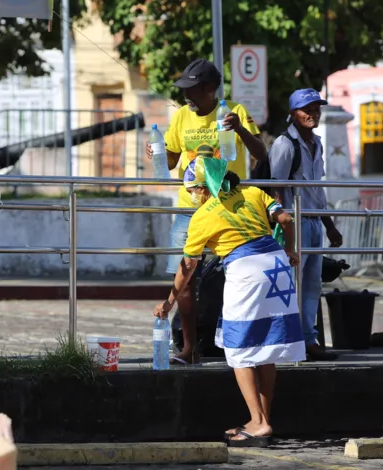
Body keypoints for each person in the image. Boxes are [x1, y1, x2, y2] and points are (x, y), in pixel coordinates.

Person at [153, 157, 305, 447]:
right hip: (277, 267)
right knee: (267, 348)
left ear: (204, 187)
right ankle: (262, 418)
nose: (195, 195)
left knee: (240, 349)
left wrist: (169, 302)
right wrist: (290, 249)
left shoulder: (203, 216)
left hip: (246, 272)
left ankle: (258, 423)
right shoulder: (252, 192)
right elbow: (285, 219)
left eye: (196, 190)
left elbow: (187, 267)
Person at [145, 59, 267, 365]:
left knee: (239, 277)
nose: (187, 96)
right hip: (190, 209)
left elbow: (261, 152)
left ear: (211, 89)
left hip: (229, 207)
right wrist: (156, 151)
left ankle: (242, 344)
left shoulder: (233, 112)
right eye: (184, 89)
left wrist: (239, 129)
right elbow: (170, 161)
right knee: (184, 278)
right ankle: (189, 348)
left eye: (193, 89)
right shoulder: (182, 116)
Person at [267, 88, 342, 361]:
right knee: (289, 285)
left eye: (316, 108)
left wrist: (329, 225)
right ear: (293, 113)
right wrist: (281, 222)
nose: (313, 113)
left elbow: (316, 189)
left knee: (312, 285)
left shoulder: (317, 143)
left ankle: (308, 339)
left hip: (313, 223)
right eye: (306, 109)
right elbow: (276, 187)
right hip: (293, 223)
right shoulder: (285, 144)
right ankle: (287, 340)